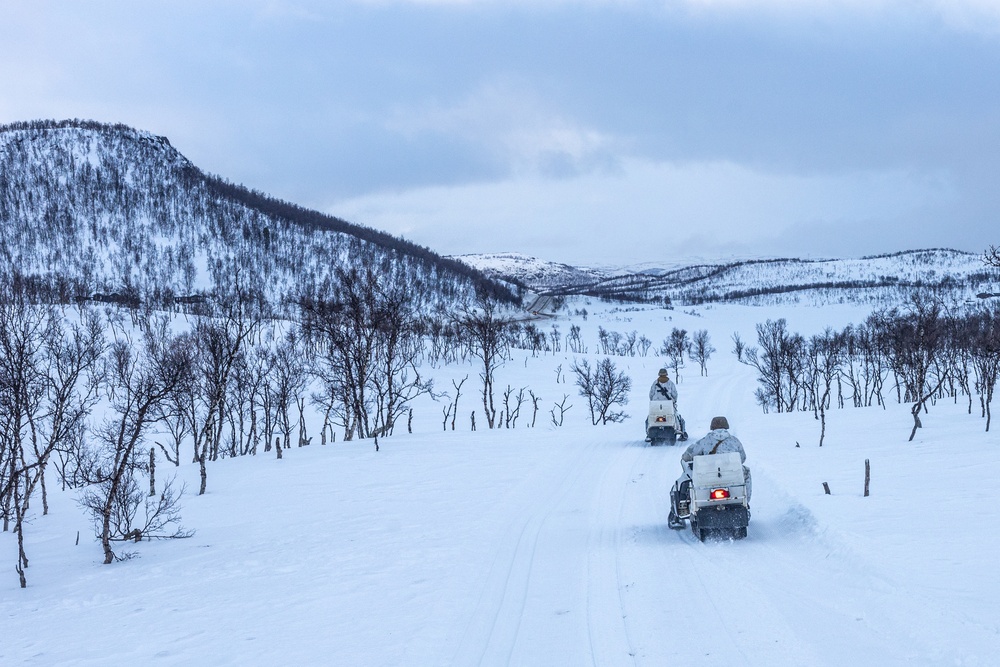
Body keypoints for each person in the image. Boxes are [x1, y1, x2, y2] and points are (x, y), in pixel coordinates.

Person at [669, 416, 751, 527]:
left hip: (708, 479)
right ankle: (746, 502)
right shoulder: (734, 441)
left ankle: (681, 512)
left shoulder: (705, 441)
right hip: (732, 478)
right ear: (726, 426)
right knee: (746, 473)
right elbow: (742, 457)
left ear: (712, 427)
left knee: (685, 481)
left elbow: (688, 455)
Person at [647, 369, 686, 440]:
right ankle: (679, 430)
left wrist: (654, 401)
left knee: (649, 418)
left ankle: (648, 433)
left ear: (659, 374)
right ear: (666, 374)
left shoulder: (655, 383)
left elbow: (651, 394)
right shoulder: (670, 383)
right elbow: (675, 394)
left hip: (655, 406)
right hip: (668, 405)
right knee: (676, 416)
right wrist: (674, 401)